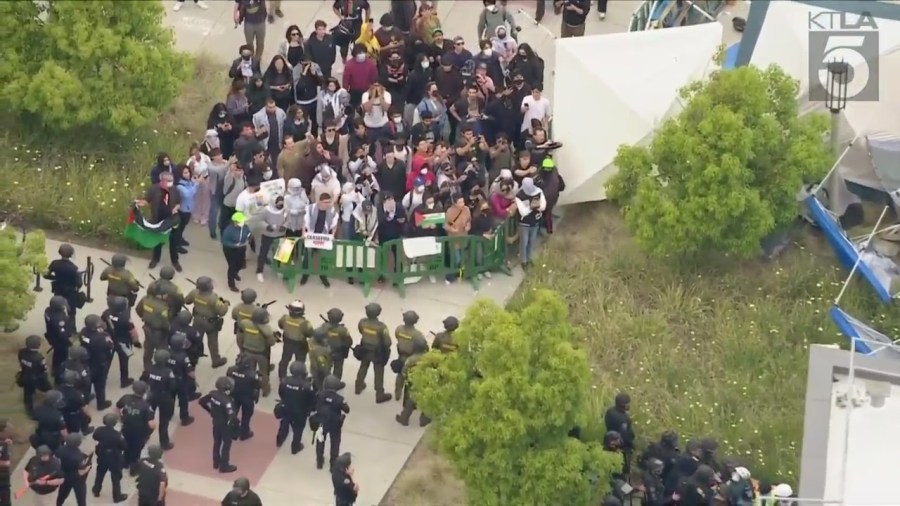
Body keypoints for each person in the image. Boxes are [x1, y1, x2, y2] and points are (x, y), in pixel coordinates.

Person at [139, 171, 183, 271]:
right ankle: (155, 259)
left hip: (172, 220)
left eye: (171, 180)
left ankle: (175, 261)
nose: (170, 182)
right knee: (157, 241)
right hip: (158, 219)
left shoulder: (174, 189)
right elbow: (147, 200)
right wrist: (140, 203)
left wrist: (176, 207)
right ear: (162, 181)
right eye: (168, 180)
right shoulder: (154, 189)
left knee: (173, 241)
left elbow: (179, 202)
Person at [185, 276, 230, 368]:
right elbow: (222, 312)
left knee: (195, 341)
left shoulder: (194, 293)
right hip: (210, 323)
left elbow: (187, 301)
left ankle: (191, 360)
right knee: (212, 342)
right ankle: (216, 360)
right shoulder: (213, 298)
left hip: (197, 320)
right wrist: (225, 303)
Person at [354, 303, 393, 402]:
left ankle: (358, 386)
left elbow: (361, 331)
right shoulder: (381, 327)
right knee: (379, 372)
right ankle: (379, 393)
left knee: (363, 367)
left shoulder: (362, 322)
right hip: (377, 352)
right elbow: (388, 342)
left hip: (365, 349)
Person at [116, 381, 156, 477]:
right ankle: (133, 470)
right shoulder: (146, 406)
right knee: (136, 452)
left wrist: (121, 418)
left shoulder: (125, 398)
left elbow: (117, 407)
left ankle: (125, 463)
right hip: (139, 433)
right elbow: (151, 424)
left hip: (126, 428)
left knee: (126, 446)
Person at [140, 349, 178, 451]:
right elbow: (173, 386)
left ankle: (144, 436)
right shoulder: (168, 372)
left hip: (151, 395)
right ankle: (164, 443)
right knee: (164, 421)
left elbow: (142, 380)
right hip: (165, 398)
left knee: (147, 418)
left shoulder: (149, 369)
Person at [199, 377, 239, 473]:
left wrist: (210, 411)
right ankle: (224, 466)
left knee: (217, 442)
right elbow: (231, 416)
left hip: (215, 422)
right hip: (224, 425)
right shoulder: (227, 401)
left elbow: (202, 401)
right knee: (226, 444)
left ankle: (216, 462)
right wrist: (234, 427)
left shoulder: (212, 394)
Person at [275, 361, 316, 453]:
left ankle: (279, 440)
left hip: (286, 407)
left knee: (284, 424)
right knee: (298, 429)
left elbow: (281, 393)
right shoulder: (307, 386)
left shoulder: (284, 381)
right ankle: (295, 447)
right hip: (300, 411)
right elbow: (312, 399)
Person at [236, 308, 278, 397]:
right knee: (264, 373)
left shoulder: (245, 323)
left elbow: (239, 336)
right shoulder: (267, 329)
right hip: (261, 354)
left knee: (250, 371)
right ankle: (265, 390)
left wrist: (241, 350)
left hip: (247, 352)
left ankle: (250, 388)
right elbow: (272, 343)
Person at [312, 375, 350, 470]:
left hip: (321, 422)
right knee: (335, 444)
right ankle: (333, 465)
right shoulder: (339, 399)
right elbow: (347, 410)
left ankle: (319, 462)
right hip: (335, 424)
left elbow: (314, 405)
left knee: (320, 441)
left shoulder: (319, 394)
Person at [301, 192, 339, 287]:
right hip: (311, 236)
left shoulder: (332, 211)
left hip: (323, 237)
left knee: (323, 259)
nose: (328, 204)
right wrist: (303, 233)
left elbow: (334, 224)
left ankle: (323, 276)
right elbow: (305, 222)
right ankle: (305, 275)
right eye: (326, 202)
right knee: (307, 257)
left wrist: (333, 235)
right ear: (320, 202)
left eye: (329, 202)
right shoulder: (310, 209)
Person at [79, 313, 115, 410]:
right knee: (100, 385)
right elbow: (110, 346)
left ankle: (85, 400)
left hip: (87, 361)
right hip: (100, 362)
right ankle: (101, 404)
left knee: (87, 382)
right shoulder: (102, 336)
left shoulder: (83, 332)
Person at [102, 296, 140, 389]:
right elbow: (132, 332)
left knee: (107, 360)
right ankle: (124, 381)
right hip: (123, 341)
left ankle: (103, 377)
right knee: (124, 361)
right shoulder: (125, 318)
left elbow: (102, 325)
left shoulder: (106, 313)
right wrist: (136, 342)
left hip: (110, 340)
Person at [395, 334, 431, 426]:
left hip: (414, 380)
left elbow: (404, 370)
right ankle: (424, 419)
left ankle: (404, 418)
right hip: (427, 381)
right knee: (427, 399)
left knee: (411, 399)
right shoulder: (429, 358)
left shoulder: (411, 359)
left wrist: (405, 378)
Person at [91, 413, 128, 503]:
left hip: (102, 454)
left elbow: (94, 437)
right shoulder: (117, 435)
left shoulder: (99, 430)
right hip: (114, 457)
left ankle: (96, 490)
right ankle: (117, 496)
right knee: (115, 477)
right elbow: (124, 446)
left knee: (100, 473)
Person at [135, 284, 171, 371]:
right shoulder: (163, 308)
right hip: (159, 331)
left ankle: (147, 367)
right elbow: (165, 323)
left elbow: (138, 310)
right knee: (161, 349)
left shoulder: (145, 299)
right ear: (161, 295)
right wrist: (169, 329)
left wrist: (145, 317)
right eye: (166, 294)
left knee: (148, 348)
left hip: (147, 327)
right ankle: (162, 367)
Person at [226, 354, 261, 440]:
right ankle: (244, 433)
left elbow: (228, 381)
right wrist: (256, 398)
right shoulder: (253, 375)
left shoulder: (231, 370)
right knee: (246, 416)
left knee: (232, 414)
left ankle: (232, 432)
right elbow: (257, 388)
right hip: (247, 398)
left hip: (234, 395)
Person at [277, 300, 315, 379]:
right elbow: (310, 333)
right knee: (300, 361)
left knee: (284, 360)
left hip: (287, 342)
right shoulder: (305, 323)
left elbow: (280, 325)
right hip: (300, 345)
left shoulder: (284, 318)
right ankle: (299, 376)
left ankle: (282, 376)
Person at [392, 311, 425, 400]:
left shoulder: (399, 329)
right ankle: (407, 400)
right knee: (410, 379)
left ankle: (397, 394)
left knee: (400, 376)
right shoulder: (417, 334)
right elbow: (423, 346)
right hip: (412, 358)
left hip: (401, 356)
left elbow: (397, 337)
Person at [514, 177, 545, 269]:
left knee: (532, 241)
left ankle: (529, 258)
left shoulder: (538, 191)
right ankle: (524, 261)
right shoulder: (519, 196)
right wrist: (531, 208)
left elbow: (543, 205)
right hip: (524, 223)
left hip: (535, 220)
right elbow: (522, 212)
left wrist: (538, 206)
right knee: (524, 242)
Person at [18, 334, 52, 419]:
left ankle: (29, 410)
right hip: (37, 377)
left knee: (28, 394)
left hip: (25, 375)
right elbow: (43, 369)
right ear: (38, 345)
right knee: (48, 388)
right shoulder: (39, 358)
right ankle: (50, 400)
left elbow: (20, 361)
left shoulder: (22, 352)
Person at [167, 333, 196, 427]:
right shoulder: (183, 356)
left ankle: (168, 415)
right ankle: (184, 418)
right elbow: (190, 372)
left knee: (170, 398)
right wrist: (193, 378)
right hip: (181, 381)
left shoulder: (166, 352)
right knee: (183, 399)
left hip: (169, 380)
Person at [55, 433, 92, 506]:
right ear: (78, 443)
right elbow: (81, 472)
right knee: (81, 498)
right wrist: (89, 467)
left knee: (62, 495)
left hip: (65, 476)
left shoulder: (60, 449)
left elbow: (56, 458)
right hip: (77, 479)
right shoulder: (78, 456)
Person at [44, 296, 74, 385]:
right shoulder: (60, 318)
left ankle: (54, 369)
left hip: (52, 336)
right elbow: (62, 334)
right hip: (60, 341)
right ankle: (59, 379)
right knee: (61, 359)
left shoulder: (48, 311)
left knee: (56, 355)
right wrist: (69, 342)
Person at [605, 393, 636, 477]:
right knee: (623, 469)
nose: (629, 405)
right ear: (623, 405)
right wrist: (631, 445)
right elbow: (625, 436)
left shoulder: (610, 411)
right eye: (628, 403)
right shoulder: (624, 419)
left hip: (609, 440)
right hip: (621, 446)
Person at [258, 195, 287, 282]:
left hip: (280, 234)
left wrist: (285, 226)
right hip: (267, 235)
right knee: (263, 253)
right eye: (278, 205)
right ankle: (259, 271)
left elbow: (288, 220)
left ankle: (278, 269)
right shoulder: (266, 210)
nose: (280, 206)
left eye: (281, 204)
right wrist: (266, 226)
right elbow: (259, 221)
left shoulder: (285, 210)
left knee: (280, 254)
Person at [319, 308, 353, 384]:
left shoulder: (324, 326)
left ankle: (324, 381)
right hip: (339, 353)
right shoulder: (343, 330)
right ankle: (336, 383)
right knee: (338, 369)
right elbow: (350, 342)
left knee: (326, 367)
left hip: (326, 351)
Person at [222, 211, 253, 292]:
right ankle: (231, 284)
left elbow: (249, 234)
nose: (243, 222)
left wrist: (249, 240)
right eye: (241, 221)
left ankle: (236, 272)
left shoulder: (245, 227)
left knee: (240, 264)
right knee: (232, 266)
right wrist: (235, 245)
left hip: (241, 248)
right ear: (235, 222)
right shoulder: (228, 230)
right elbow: (225, 241)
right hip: (230, 250)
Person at [59, 369, 92, 437]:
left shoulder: (60, 389)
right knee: (74, 431)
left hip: (63, 413)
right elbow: (84, 407)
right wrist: (89, 415)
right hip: (74, 416)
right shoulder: (77, 394)